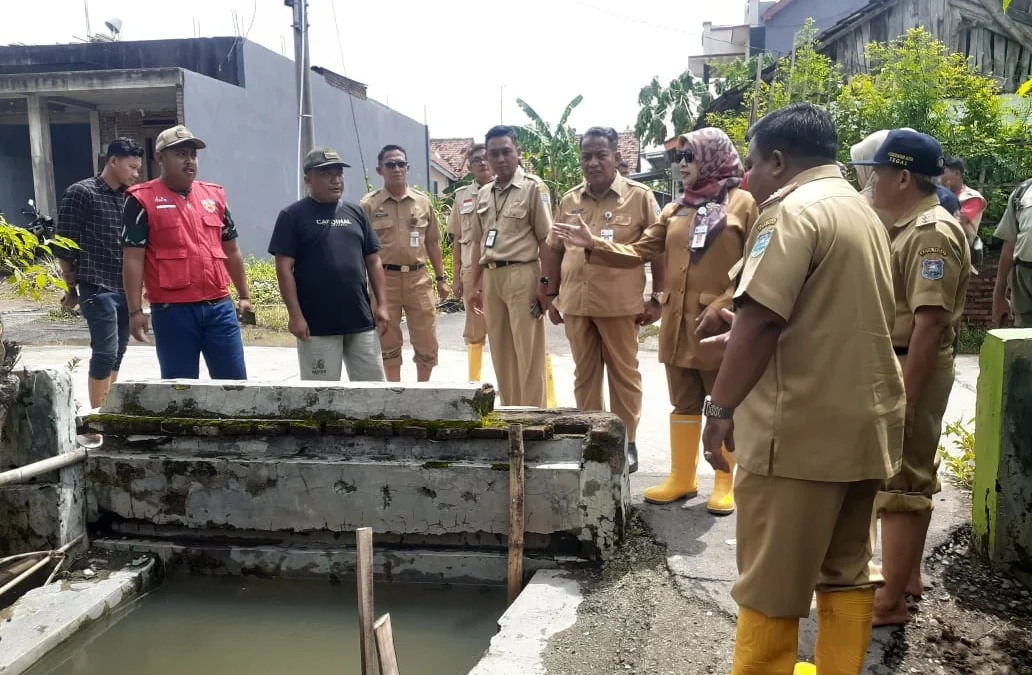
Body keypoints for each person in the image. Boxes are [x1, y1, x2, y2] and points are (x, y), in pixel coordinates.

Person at [700, 103, 904, 673]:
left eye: (754, 163)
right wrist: (739, 335)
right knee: (845, 573)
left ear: (779, 160)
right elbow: (821, 316)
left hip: (797, 436)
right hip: (861, 429)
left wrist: (720, 406)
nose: (749, 177)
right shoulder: (862, 211)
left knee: (770, 587)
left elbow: (764, 319)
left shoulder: (790, 212)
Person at [554, 127, 756, 512]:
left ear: (712, 156)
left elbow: (757, 266)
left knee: (722, 401)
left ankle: (725, 480)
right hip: (679, 323)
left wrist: (725, 302)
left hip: (718, 323)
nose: (681, 166)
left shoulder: (744, 204)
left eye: (689, 157)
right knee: (683, 402)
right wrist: (593, 244)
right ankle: (683, 477)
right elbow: (640, 250)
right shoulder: (675, 208)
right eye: (678, 159)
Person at [852, 129, 970, 626]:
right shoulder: (906, 223)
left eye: (877, 174)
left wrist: (904, 398)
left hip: (910, 361)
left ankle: (889, 601)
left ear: (902, 176)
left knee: (899, 481)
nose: (872, 183)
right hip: (898, 358)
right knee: (906, 474)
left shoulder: (930, 233)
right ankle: (908, 578)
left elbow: (929, 323)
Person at [543, 126, 666, 475]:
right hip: (576, 304)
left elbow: (657, 249)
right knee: (584, 375)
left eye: (601, 155)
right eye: (586, 156)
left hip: (620, 304)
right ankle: (592, 437)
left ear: (616, 157)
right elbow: (553, 248)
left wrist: (658, 297)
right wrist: (550, 293)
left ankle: (625, 441)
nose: (593, 162)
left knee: (624, 376)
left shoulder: (639, 197)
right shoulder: (570, 200)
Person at [121, 125, 252, 380]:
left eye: (193, 155)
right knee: (179, 389)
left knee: (235, 387)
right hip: (173, 312)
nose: (189, 161)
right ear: (160, 158)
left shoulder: (214, 196)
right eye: (181, 154)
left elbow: (232, 249)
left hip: (219, 308)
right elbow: (133, 258)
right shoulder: (141, 199)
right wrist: (135, 311)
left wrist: (244, 296)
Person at [268, 148, 389, 382]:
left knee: (372, 391)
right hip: (316, 325)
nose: (336, 180)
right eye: (326, 174)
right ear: (308, 180)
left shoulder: (356, 213)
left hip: (361, 321)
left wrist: (382, 305)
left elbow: (373, 260)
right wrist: (295, 316)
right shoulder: (292, 216)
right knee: (320, 396)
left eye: (339, 173)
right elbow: (284, 268)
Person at [468, 126, 557, 407]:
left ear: (518, 152)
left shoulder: (533, 187)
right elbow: (478, 243)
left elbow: (547, 240)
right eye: (493, 153)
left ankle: (533, 420)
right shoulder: (483, 194)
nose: (500, 158)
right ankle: (511, 415)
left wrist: (546, 286)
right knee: (501, 353)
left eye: (506, 151)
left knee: (528, 353)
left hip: (523, 275)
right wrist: (473, 286)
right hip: (493, 278)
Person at [55, 137, 143, 414]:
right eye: (131, 167)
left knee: (118, 351)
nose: (135, 173)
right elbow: (64, 242)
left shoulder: (129, 198)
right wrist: (71, 286)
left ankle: (109, 411)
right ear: (113, 161)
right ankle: (97, 417)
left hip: (124, 288)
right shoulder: (82, 192)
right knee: (104, 351)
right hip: (96, 284)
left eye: (138, 168)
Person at [360, 145, 450, 382]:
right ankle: (396, 394)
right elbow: (361, 250)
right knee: (388, 342)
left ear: (408, 168)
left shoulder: (422, 202)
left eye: (401, 164)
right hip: (384, 282)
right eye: (390, 165)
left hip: (418, 280)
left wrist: (442, 279)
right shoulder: (368, 205)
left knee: (427, 341)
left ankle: (422, 391)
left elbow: (432, 244)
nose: (396, 169)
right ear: (380, 170)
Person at [447, 144, 493, 381]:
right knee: (474, 332)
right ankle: (474, 386)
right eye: (476, 159)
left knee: (511, 332)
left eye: (487, 157)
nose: (483, 162)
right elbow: (457, 240)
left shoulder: (509, 191)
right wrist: (455, 277)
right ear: (470, 166)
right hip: (470, 274)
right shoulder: (462, 196)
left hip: (501, 271)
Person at [992, 178, 1032, 328]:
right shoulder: (1023, 191)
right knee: (1025, 339)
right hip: (1023, 277)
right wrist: (999, 295)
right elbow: (1009, 244)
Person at [940, 155, 987, 242]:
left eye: (943, 172)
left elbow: (957, 221)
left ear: (957, 174)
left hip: (961, 247)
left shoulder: (972, 197)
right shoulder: (937, 194)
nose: (939, 176)